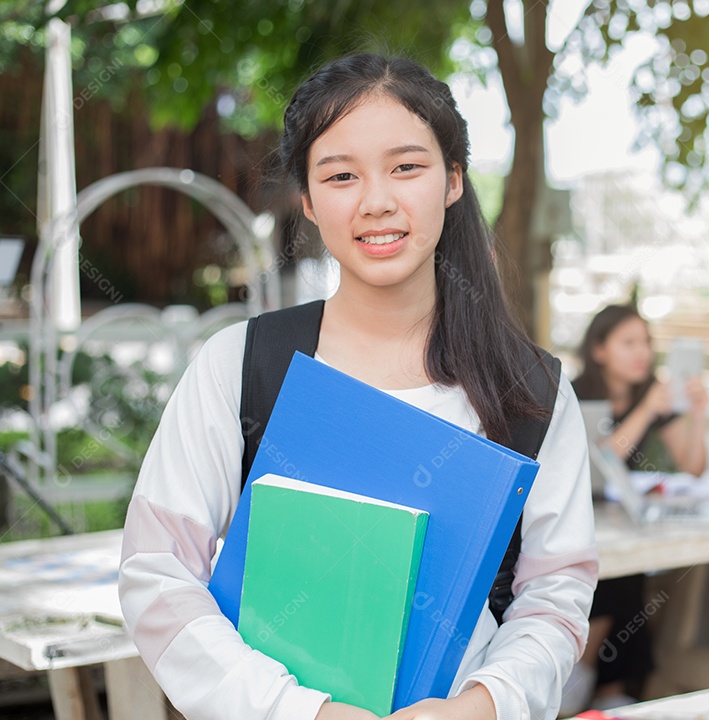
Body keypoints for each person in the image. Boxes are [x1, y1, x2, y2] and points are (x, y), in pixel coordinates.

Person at [117, 54, 598, 720]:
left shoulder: (532, 393)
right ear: (308, 202)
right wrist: (299, 711)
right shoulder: (241, 365)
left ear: (454, 180)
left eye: (407, 167)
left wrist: (484, 705)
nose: (377, 201)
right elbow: (156, 573)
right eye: (342, 175)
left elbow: (555, 593)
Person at [561, 303, 708, 713]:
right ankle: (593, 689)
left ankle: (610, 693)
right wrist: (647, 411)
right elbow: (601, 463)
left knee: (631, 580)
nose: (642, 353)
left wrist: (697, 416)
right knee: (612, 580)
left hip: (622, 523)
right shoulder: (572, 394)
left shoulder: (651, 395)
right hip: (576, 522)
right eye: (628, 343)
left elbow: (693, 467)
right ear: (599, 350)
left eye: (645, 342)